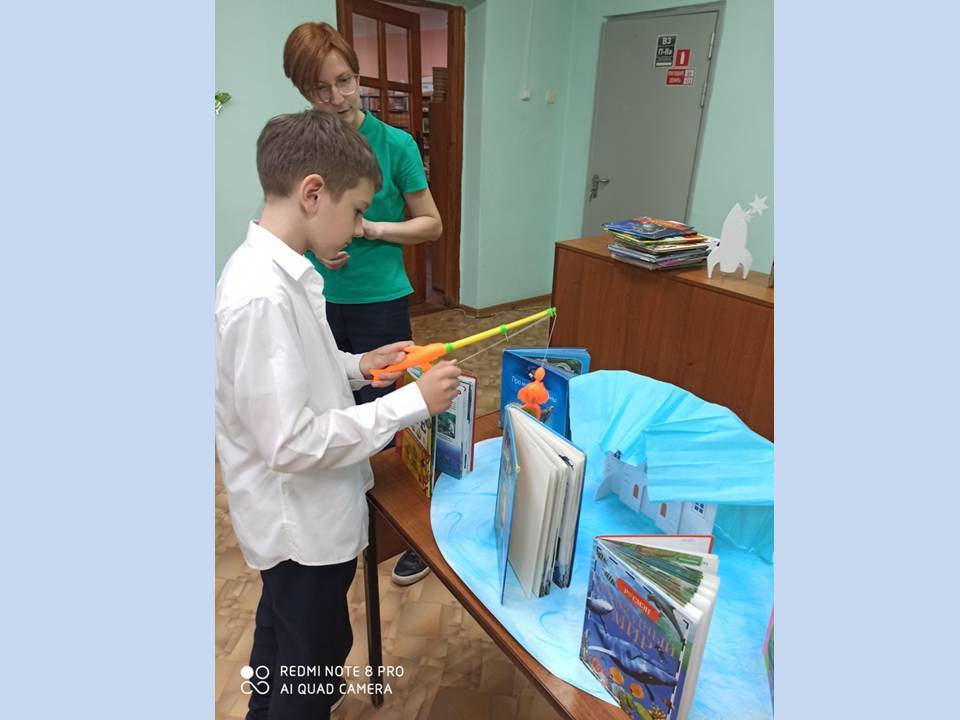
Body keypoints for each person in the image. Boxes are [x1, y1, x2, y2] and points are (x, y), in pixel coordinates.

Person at [215, 109, 461, 720]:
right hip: (299, 530)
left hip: (300, 525)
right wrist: (410, 404)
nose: (357, 228)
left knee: (282, 644)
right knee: (312, 670)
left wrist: (359, 366)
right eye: (355, 211)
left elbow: (302, 374)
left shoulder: (281, 275)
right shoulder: (261, 297)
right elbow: (291, 441)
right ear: (313, 193)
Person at [284, 21, 441, 587]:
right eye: (320, 89)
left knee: (393, 413)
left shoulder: (395, 145)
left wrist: (370, 227)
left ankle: (409, 532)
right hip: (320, 300)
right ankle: (351, 523)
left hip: (380, 301)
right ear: (303, 91)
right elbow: (292, 219)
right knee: (335, 411)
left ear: (359, 76)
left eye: (345, 82)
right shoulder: (303, 146)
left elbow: (431, 224)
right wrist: (318, 249)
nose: (336, 98)